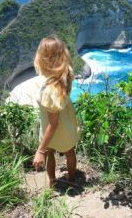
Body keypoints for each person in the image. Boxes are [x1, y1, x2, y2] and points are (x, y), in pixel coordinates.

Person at [32, 36, 80, 187]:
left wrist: (40, 149)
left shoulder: (49, 90)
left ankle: (52, 183)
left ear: (44, 60)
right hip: (67, 128)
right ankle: (71, 180)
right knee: (70, 153)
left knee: (48, 154)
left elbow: (53, 123)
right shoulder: (64, 77)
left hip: (50, 130)